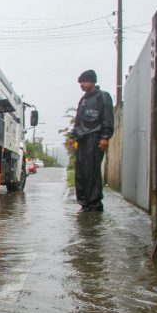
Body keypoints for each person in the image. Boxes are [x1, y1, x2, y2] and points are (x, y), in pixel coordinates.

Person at [68, 69, 114, 212]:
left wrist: (105, 137)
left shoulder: (102, 96)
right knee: (81, 173)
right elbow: (78, 121)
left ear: (93, 81)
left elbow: (107, 118)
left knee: (91, 172)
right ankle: (85, 203)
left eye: (85, 81)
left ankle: (94, 204)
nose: (82, 84)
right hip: (82, 140)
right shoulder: (84, 99)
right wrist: (73, 135)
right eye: (81, 82)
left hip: (94, 139)